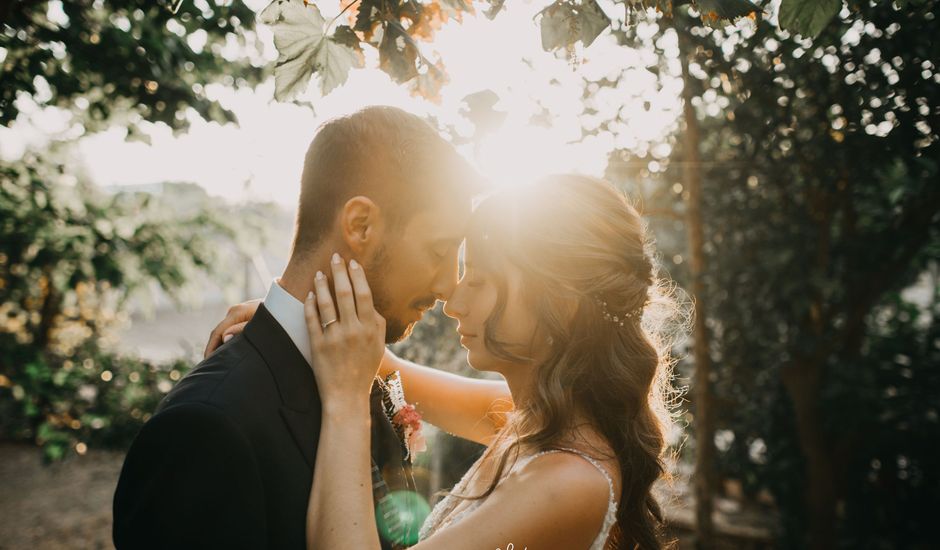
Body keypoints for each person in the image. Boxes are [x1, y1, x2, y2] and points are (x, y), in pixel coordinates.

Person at [209, 174, 682, 549]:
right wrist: (292, 317)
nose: (453, 300)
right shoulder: (537, 417)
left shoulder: (569, 481)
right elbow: (388, 366)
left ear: (561, 303)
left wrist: (346, 401)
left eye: (479, 278)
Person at [112, 105, 483, 550]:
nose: (448, 285)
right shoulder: (204, 428)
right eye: (440, 249)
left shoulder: (366, 371)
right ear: (360, 225)